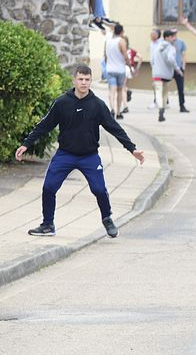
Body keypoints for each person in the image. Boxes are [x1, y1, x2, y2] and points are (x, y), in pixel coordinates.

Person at [17, 65, 145, 238]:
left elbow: (115, 128)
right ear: (74, 80)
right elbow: (45, 124)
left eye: (87, 79)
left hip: (89, 156)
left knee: (99, 190)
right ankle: (48, 224)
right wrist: (26, 144)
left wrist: (132, 149)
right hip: (65, 154)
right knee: (49, 187)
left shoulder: (98, 105)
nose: (83, 83)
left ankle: (107, 218)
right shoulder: (62, 102)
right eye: (80, 79)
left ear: (91, 81)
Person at [151, 29, 180, 123]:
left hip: (156, 73)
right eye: (172, 37)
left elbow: (152, 59)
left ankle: (160, 107)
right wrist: (177, 69)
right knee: (165, 93)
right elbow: (171, 59)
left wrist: (154, 69)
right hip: (167, 74)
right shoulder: (171, 47)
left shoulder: (156, 45)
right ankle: (162, 109)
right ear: (167, 37)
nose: (173, 38)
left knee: (158, 92)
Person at [104, 24, 129, 119]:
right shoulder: (121, 41)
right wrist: (129, 65)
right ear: (122, 32)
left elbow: (106, 56)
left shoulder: (108, 41)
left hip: (110, 69)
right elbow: (125, 55)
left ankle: (112, 109)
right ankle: (118, 112)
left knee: (112, 90)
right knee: (119, 90)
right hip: (120, 69)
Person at [169, 28, 189, 113]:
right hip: (169, 68)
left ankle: (182, 105)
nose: (173, 35)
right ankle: (163, 103)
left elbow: (184, 54)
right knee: (165, 86)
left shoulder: (181, 42)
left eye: (175, 33)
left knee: (180, 88)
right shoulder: (166, 43)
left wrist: (183, 66)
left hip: (179, 68)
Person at [148, 29, 162, 109]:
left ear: (157, 35)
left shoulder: (161, 43)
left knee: (158, 85)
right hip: (154, 67)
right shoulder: (152, 44)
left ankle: (156, 101)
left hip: (160, 68)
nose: (151, 36)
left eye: (152, 34)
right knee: (156, 84)